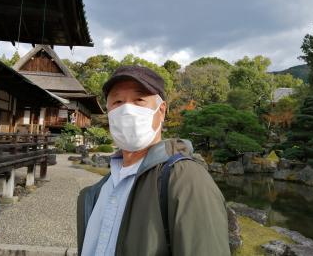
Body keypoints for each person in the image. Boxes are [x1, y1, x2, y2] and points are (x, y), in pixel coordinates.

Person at [77, 65, 230, 256]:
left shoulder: (185, 179)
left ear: (162, 110)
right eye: (117, 101)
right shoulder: (97, 191)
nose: (126, 109)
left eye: (139, 100)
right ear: (108, 111)